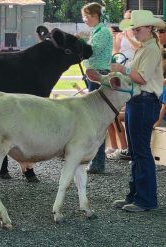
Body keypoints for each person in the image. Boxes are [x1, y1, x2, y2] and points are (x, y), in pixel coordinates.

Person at [111, 10, 164, 212]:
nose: (134, 32)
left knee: (140, 152)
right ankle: (136, 196)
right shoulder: (146, 48)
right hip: (139, 101)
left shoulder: (150, 50)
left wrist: (122, 69)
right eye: (133, 29)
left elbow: (141, 78)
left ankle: (145, 200)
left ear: (150, 29)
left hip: (144, 102)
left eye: (138, 29)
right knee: (136, 152)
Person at [80, 2, 113, 174]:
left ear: (97, 16)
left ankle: (98, 161)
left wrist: (79, 45)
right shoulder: (98, 31)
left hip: (98, 75)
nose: (86, 19)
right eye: (85, 16)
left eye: (89, 16)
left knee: (97, 120)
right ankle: (96, 159)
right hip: (94, 75)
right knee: (95, 119)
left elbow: (92, 51)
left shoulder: (103, 32)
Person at [106, 9, 139, 160]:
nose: (127, 22)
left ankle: (126, 148)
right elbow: (115, 51)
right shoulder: (121, 35)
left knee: (124, 112)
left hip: (134, 73)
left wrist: (128, 36)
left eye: (129, 19)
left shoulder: (139, 34)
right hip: (121, 71)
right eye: (125, 19)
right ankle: (117, 146)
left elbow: (139, 48)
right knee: (113, 112)